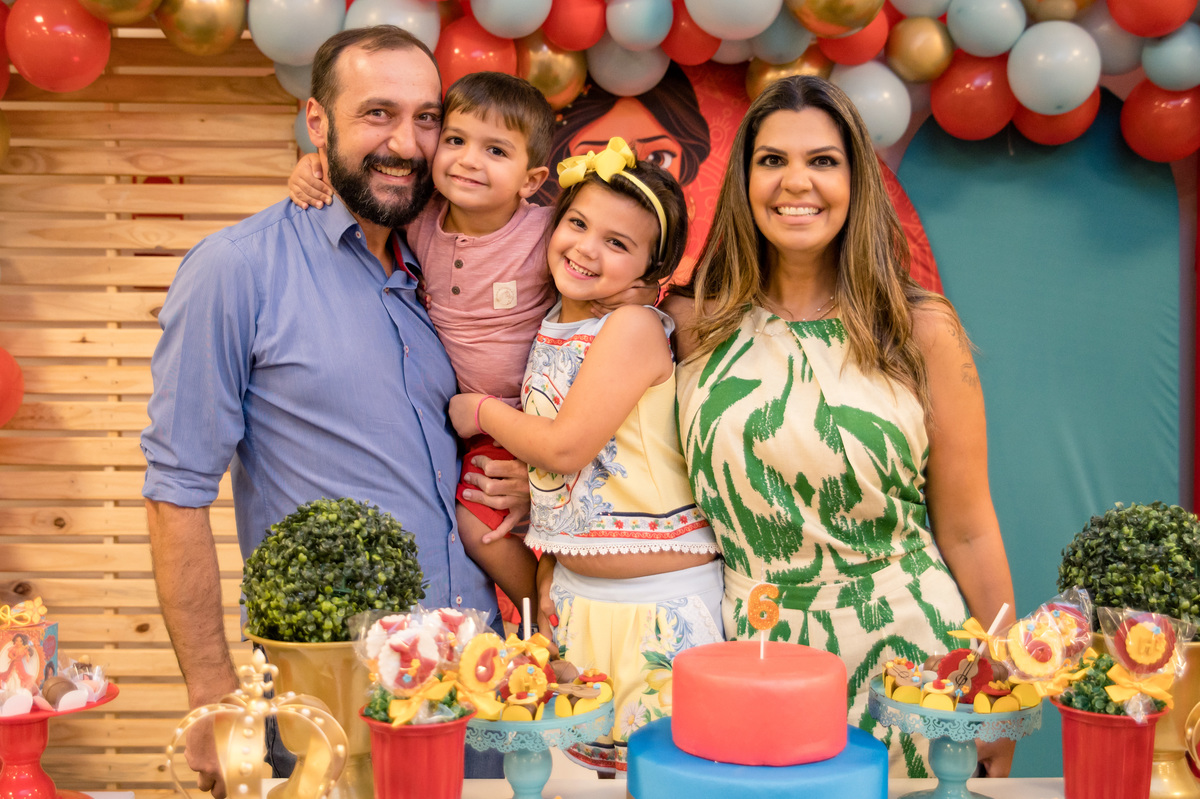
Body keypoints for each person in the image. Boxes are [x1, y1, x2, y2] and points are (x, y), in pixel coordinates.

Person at [142, 26, 522, 797]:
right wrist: (214, 693)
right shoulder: (237, 269)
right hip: (329, 699)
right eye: (377, 113)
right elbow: (175, 491)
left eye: (425, 120)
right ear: (317, 123)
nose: (407, 144)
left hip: (479, 681)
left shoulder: (438, 268)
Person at [664, 76, 1017, 779]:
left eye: (822, 160)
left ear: (856, 180)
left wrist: (1000, 682)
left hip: (913, 662)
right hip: (752, 666)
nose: (796, 181)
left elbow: (971, 527)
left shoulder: (921, 329)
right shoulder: (693, 324)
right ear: (743, 179)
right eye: (772, 160)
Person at [288, 74, 657, 622]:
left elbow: (601, 267)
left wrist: (634, 291)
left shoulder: (543, 234)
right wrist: (310, 166)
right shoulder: (418, 218)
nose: (467, 161)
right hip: (461, 421)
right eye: (456, 140)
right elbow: (357, 187)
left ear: (531, 179)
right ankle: (550, 602)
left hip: (535, 414)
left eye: (495, 151)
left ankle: (548, 616)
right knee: (469, 517)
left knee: (480, 522)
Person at [448, 138, 724, 775]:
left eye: (617, 244)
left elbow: (568, 447)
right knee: (572, 779)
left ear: (651, 277)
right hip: (578, 598)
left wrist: (481, 412)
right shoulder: (553, 318)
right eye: (576, 223)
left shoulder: (630, 329)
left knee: (664, 778)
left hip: (658, 604)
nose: (585, 248)